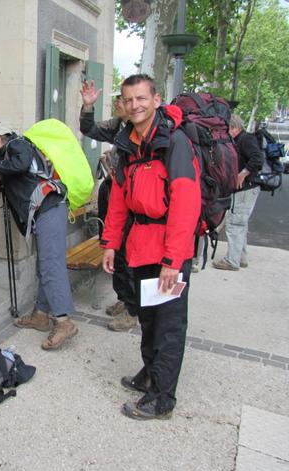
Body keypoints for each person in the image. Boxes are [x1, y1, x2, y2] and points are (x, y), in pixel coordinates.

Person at [101, 74, 201, 420]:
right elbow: (118, 199)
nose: (135, 105)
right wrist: (111, 243)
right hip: (141, 247)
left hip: (170, 250)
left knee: (168, 324)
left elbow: (186, 203)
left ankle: (162, 398)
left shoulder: (175, 143)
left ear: (156, 100)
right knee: (148, 318)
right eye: (129, 100)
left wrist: (173, 260)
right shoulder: (129, 144)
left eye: (142, 98)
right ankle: (150, 374)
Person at [0, 120, 78, 350]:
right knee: (44, 265)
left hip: (49, 209)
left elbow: (22, 164)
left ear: (1, 134)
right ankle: (41, 315)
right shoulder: (9, 151)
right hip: (45, 212)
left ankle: (64, 322)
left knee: (51, 265)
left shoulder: (17, 144)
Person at [79, 83, 137, 332]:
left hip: (132, 201)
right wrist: (88, 106)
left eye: (122, 99)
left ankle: (133, 310)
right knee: (116, 250)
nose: (117, 103)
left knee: (130, 255)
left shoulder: (143, 131)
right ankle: (124, 299)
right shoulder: (118, 125)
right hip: (114, 192)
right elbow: (89, 129)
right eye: (119, 98)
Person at [212, 114, 263, 271]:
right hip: (246, 188)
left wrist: (243, 173)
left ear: (234, 128)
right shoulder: (243, 139)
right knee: (240, 224)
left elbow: (257, 159)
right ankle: (240, 257)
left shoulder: (245, 139)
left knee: (235, 224)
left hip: (246, 188)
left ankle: (232, 260)